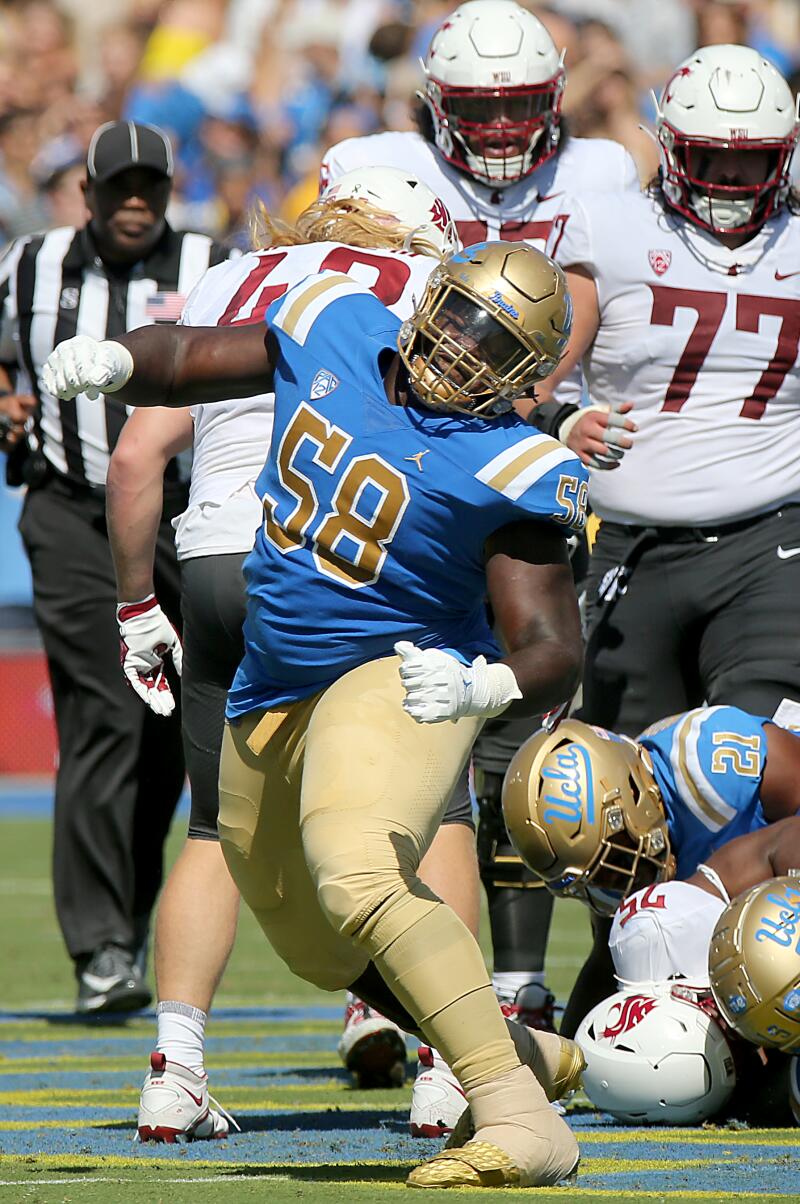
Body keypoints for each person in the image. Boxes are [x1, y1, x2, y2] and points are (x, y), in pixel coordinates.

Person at [43, 239, 587, 1189]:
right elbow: (190, 359)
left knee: (357, 867)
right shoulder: (334, 320)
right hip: (271, 675)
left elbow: (551, 644)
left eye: (493, 345)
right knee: (312, 941)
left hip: (398, 673)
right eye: (458, 314)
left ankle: (521, 1123)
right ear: (428, 299)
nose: (461, 347)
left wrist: (483, 687)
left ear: (526, 378)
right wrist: (120, 359)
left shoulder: (509, 464)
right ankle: (523, 1057)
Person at [104, 166, 462, 1140]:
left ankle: (173, 1068)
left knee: (215, 832)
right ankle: (448, 1064)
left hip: (220, 557)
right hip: (352, 556)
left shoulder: (229, 277)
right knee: (439, 812)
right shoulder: (422, 286)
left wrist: (137, 603)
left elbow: (137, 457)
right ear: (415, 227)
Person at [321, 0, 641, 1080]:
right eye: (477, 107)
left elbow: (590, 294)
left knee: (514, 731)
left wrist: (542, 404)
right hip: (406, 486)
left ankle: (507, 982)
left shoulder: (595, 173)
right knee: (384, 728)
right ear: (433, 106)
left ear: (550, 99)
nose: (500, 127)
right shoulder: (374, 163)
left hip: (513, 480)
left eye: (516, 104)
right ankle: (383, 987)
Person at [0, 120, 232, 1013]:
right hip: (71, 510)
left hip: (187, 512)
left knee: (168, 729)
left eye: (151, 189)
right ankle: (99, 945)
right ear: (85, 194)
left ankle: (126, 929)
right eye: (119, 189)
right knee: (106, 709)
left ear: (170, 194)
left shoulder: (215, 263)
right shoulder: (31, 265)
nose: (136, 204)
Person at [534, 43, 800, 735]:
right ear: (675, 148)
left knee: (756, 757)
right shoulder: (613, 227)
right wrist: (564, 421)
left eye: (754, 156)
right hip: (632, 547)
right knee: (632, 792)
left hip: (773, 540)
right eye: (712, 155)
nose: (734, 175)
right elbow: (522, 384)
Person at [503, 707, 800, 1035]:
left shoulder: (707, 766)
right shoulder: (621, 849)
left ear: (631, 795)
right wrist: (566, 1063)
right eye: (596, 881)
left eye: (612, 864)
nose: (617, 884)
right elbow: (608, 964)